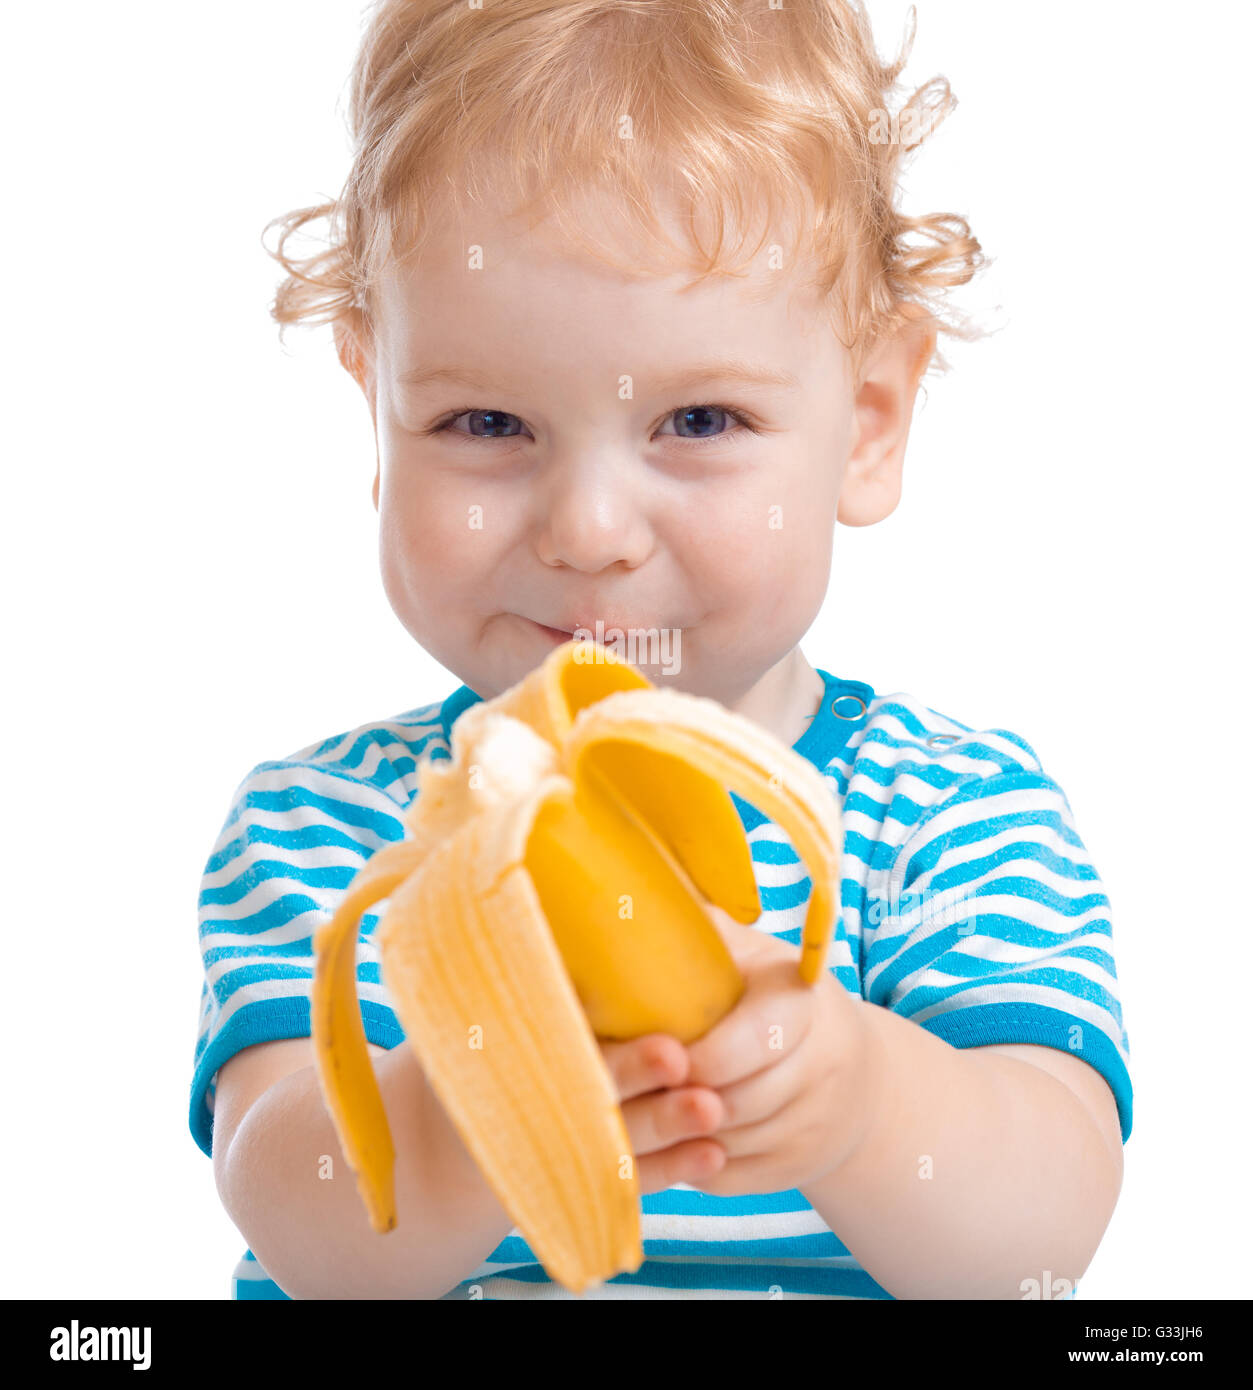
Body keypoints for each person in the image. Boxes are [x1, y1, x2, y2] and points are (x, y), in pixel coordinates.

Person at [191, 0, 1131, 1300]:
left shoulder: (952, 816)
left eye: (697, 417)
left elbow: (1039, 1241)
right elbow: (307, 1230)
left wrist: (864, 1101)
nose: (585, 532)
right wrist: (492, 1086)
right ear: (375, 411)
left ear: (865, 424)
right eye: (483, 420)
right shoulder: (327, 833)